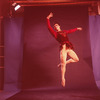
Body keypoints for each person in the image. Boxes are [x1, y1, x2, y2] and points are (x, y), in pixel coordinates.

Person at [46, 12, 82, 87]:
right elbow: (49, 27)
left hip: (69, 48)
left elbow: (70, 31)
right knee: (63, 66)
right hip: (63, 49)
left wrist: (77, 28)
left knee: (76, 59)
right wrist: (48, 18)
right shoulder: (55, 34)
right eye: (54, 26)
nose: (55, 27)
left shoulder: (64, 31)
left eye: (56, 25)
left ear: (59, 26)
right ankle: (63, 78)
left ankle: (63, 63)